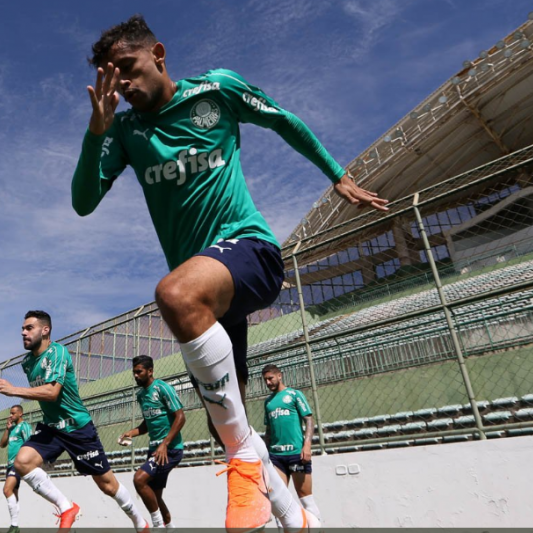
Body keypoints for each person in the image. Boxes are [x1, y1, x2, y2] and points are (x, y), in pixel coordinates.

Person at [72, 14, 387, 530]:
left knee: (173, 294)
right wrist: (96, 132)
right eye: (112, 76)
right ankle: (296, 520)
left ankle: (244, 466)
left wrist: (339, 176)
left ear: (159, 55)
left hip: (249, 253)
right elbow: (83, 202)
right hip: (209, 291)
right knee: (229, 424)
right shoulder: (124, 131)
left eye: (127, 68)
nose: (122, 85)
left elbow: (283, 119)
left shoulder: (216, 90)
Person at [0, 310, 149, 532]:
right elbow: (40, 393)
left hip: (77, 427)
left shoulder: (58, 353)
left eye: (29, 328)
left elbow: (52, 392)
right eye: (22, 329)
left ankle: (140, 523)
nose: (23, 332)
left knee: (108, 486)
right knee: (22, 462)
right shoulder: (27, 362)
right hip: (52, 427)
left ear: (45, 330)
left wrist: (13, 390)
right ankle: (67, 507)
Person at [119, 355, 185, 529]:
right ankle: (170, 528)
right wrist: (131, 433)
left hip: (170, 450)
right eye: (134, 372)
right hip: (155, 450)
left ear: (150, 371)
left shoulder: (163, 389)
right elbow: (147, 424)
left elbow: (180, 417)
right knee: (156, 496)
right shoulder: (141, 395)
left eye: (139, 372)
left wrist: (165, 444)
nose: (135, 376)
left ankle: (157, 526)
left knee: (139, 480)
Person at [263, 364, 321, 522]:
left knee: (306, 499)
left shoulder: (295, 395)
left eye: (270, 378)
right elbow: (268, 431)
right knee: (279, 503)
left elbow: (309, 419)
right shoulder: (268, 402)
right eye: (265, 380)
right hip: (276, 457)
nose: (268, 382)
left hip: (296, 454)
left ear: (279, 376)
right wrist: (264, 453)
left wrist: (307, 445)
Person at [0, 404, 33, 533]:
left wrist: (25, 462)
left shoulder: (24, 426)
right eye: (10, 413)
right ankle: (16, 525)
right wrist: (7, 429)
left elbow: (29, 443)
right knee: (14, 495)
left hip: (17, 464)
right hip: (10, 465)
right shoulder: (12, 428)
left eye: (13, 413)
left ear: (20, 414)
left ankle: (14, 526)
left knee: (6, 489)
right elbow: (2, 444)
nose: (11, 415)